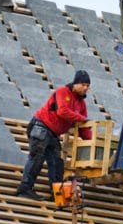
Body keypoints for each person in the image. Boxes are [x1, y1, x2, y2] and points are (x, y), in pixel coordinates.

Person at [16, 70, 93, 201]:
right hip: (41, 126)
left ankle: (56, 193)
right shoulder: (63, 92)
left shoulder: (82, 104)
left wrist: (93, 142)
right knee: (37, 157)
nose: (85, 88)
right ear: (75, 83)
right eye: (83, 84)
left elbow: (83, 128)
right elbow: (62, 111)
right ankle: (25, 188)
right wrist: (81, 119)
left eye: (87, 85)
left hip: (53, 133)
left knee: (57, 163)